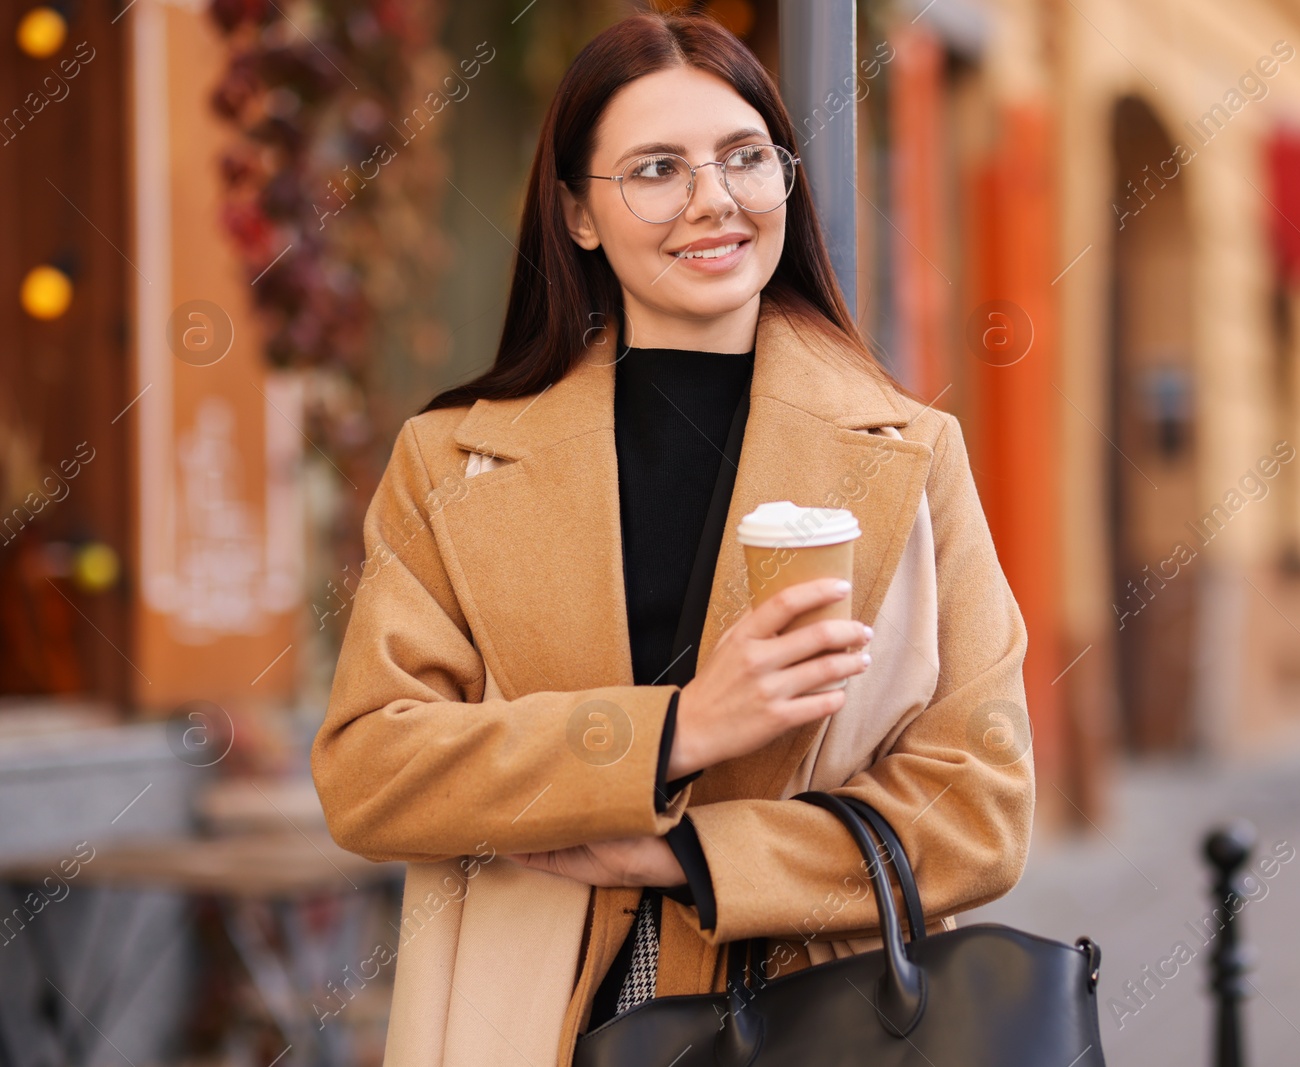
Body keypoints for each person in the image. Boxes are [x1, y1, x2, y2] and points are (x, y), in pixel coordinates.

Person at [310, 12, 1034, 1067]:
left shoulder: (911, 455)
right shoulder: (448, 461)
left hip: (824, 1017)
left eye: (746, 157)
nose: (713, 199)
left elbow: (981, 800)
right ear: (577, 215)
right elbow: (370, 766)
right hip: (531, 1015)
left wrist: (692, 852)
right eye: (655, 168)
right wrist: (671, 732)